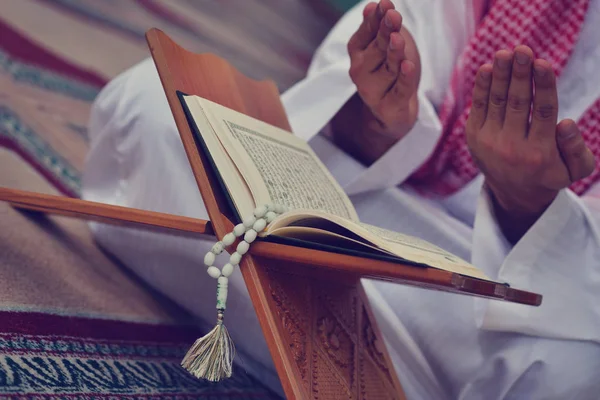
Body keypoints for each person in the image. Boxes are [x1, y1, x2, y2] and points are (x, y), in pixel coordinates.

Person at [82, 0, 600, 398]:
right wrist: (375, 117)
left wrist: (526, 206)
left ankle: (276, 325)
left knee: (577, 375)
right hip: (354, 217)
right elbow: (380, 56)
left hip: (499, 322)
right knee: (149, 106)